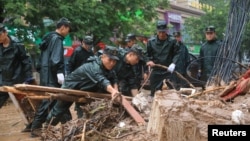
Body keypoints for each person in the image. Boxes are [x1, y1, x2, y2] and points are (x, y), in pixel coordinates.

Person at [43, 46, 120, 127]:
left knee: (85, 115)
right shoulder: (93, 66)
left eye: (114, 61)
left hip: (85, 90)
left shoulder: (108, 67)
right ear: (103, 57)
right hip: (71, 87)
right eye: (110, 60)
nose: (112, 63)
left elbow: (114, 77)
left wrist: (116, 89)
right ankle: (46, 128)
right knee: (59, 110)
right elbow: (102, 80)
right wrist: (113, 91)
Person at [29, 17, 72, 137]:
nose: (68, 32)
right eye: (68, 29)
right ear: (63, 27)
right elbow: (56, 59)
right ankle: (35, 127)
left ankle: (68, 124)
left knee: (61, 99)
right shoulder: (57, 39)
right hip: (52, 77)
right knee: (49, 101)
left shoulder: (47, 39)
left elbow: (39, 62)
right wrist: (59, 72)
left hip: (45, 75)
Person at [0, 23, 33, 108]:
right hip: (3, 80)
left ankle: (33, 121)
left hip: (16, 81)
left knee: (25, 105)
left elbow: (26, 61)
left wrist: (28, 78)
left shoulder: (17, 44)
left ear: (5, 33)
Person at [146, 20, 181, 97]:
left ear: (166, 31)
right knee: (154, 92)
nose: (161, 34)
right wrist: (149, 61)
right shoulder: (151, 42)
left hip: (168, 70)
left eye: (163, 32)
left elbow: (177, 53)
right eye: (160, 32)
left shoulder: (172, 41)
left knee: (171, 92)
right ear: (157, 31)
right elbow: (147, 54)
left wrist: (173, 63)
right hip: (156, 70)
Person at [66, 35, 94, 118]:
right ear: (83, 43)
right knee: (78, 98)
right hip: (77, 78)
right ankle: (79, 113)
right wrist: (69, 76)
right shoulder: (77, 51)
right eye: (87, 44)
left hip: (87, 78)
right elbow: (70, 64)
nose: (88, 46)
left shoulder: (90, 52)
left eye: (90, 45)